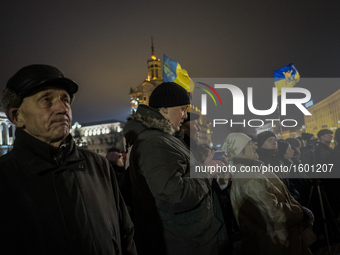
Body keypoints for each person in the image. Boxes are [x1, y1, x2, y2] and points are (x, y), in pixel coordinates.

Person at [0, 64, 137, 255]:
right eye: (46, 100)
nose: (62, 108)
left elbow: (125, 233)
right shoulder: (6, 177)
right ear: (17, 116)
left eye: (65, 100)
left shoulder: (98, 165)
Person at [124, 82, 229, 255]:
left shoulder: (167, 139)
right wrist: (207, 171)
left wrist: (207, 163)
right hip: (183, 242)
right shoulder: (154, 143)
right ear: (164, 109)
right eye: (182, 109)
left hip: (191, 238)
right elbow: (175, 194)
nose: (185, 115)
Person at [222, 133, 315, 255]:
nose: (255, 146)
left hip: (280, 240)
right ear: (239, 151)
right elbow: (273, 215)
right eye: (250, 144)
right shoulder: (248, 178)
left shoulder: (254, 170)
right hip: (275, 244)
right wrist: (301, 213)